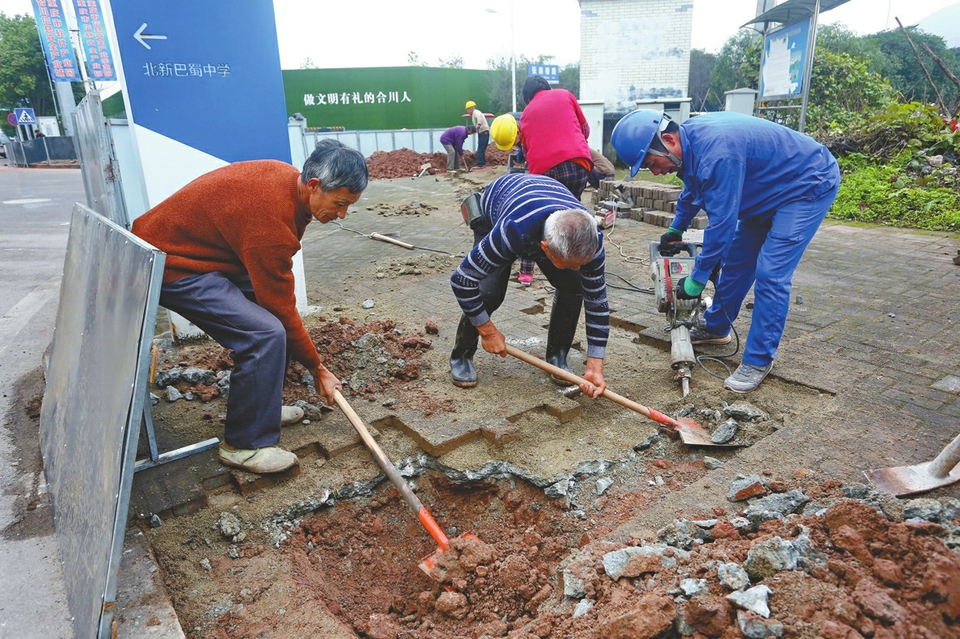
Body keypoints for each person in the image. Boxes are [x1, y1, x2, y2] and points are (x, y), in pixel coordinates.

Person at [131, 139, 369, 473]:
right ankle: (244, 445)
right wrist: (318, 369)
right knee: (265, 334)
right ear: (314, 185)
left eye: (349, 206)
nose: (342, 214)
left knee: (271, 321)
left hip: (201, 253)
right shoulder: (271, 221)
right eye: (340, 203)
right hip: (170, 264)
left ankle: (263, 410)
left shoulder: (290, 182)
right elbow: (281, 309)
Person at [611, 110, 841, 393]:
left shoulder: (717, 153)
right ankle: (717, 328)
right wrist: (676, 229)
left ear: (668, 140)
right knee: (737, 262)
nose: (656, 171)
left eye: (651, 163)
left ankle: (759, 360)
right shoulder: (690, 143)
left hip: (806, 185)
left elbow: (721, 225)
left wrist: (696, 280)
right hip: (767, 191)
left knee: (771, 272)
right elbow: (693, 190)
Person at [449, 173, 610, 397]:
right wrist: (487, 331)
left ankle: (557, 356)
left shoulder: (592, 240)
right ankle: (462, 355)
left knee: (575, 285)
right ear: (544, 248)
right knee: (488, 293)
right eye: (571, 264)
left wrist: (595, 365)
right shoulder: (511, 231)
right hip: (498, 208)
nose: (578, 269)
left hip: (545, 202)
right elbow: (462, 280)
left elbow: (598, 303)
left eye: (580, 264)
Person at [518, 76, 593, 200]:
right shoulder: (565, 95)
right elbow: (585, 130)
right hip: (579, 165)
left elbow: (527, 153)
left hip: (546, 175)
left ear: (528, 98)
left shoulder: (525, 114)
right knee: (572, 204)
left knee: (552, 211)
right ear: (548, 88)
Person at [465, 100, 490, 168]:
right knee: (481, 148)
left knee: (480, 149)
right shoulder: (474, 113)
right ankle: (482, 163)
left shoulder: (476, 112)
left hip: (483, 132)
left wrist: (478, 124)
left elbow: (480, 118)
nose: (467, 111)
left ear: (470, 108)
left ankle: (480, 164)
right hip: (482, 132)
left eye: (467, 110)